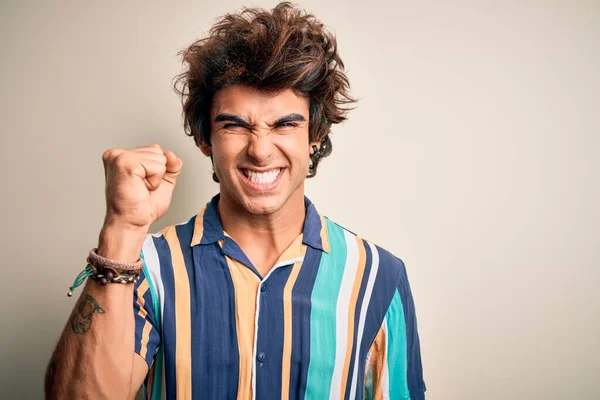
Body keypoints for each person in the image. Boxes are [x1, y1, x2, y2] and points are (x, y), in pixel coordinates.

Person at [44, 2, 426, 399]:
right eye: (235, 126)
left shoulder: (378, 276)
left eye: (285, 125)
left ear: (314, 135)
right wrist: (122, 229)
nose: (260, 151)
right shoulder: (146, 268)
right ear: (205, 138)